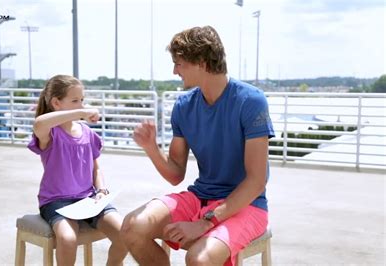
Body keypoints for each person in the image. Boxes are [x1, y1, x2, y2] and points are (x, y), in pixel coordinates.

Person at [120, 26, 275, 266]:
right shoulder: (183, 105)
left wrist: (205, 222)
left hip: (247, 205)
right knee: (133, 226)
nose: (174, 71)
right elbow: (175, 174)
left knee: (199, 258)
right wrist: (151, 148)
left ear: (201, 62)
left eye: (179, 63)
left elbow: (256, 181)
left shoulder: (251, 101)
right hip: (200, 196)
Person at [28, 74, 127, 265]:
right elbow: (39, 123)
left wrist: (102, 190)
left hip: (89, 199)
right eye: (75, 100)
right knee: (67, 239)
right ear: (56, 103)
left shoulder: (88, 134)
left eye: (82, 100)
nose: (81, 105)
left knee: (125, 232)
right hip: (56, 202)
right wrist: (79, 112)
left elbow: (96, 168)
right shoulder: (50, 133)